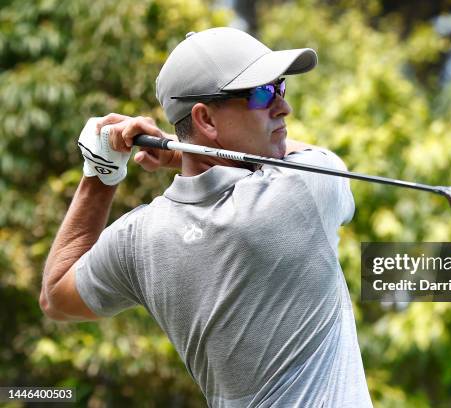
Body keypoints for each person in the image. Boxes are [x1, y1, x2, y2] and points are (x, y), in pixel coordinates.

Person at [41, 27, 373, 407]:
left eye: (280, 88)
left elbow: (55, 298)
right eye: (262, 94)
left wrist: (101, 173)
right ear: (206, 120)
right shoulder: (301, 189)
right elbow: (321, 161)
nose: (283, 107)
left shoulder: (140, 239)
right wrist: (177, 155)